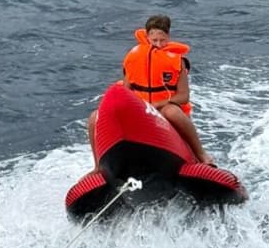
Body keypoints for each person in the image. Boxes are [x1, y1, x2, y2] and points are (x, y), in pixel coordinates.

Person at [88, 14, 214, 167]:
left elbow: (184, 96)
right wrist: (136, 107)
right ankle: (98, 166)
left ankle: (201, 154)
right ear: (147, 37)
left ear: (168, 36)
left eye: (163, 40)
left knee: (171, 111)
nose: (159, 44)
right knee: (95, 117)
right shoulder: (134, 57)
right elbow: (127, 89)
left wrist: (159, 104)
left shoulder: (177, 61)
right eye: (154, 40)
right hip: (138, 109)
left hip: (164, 110)